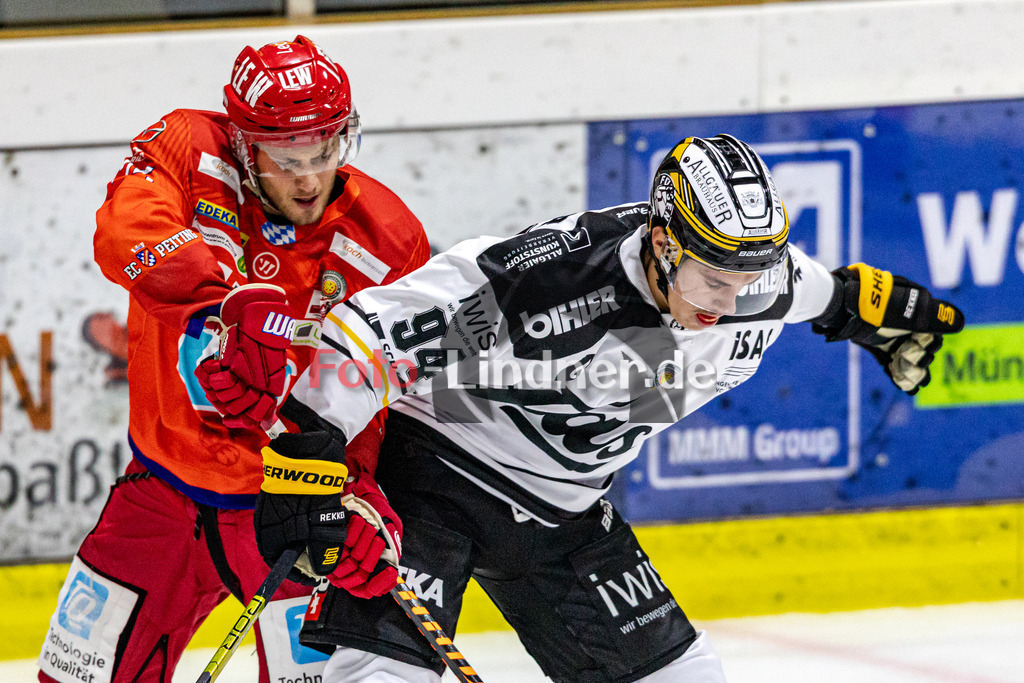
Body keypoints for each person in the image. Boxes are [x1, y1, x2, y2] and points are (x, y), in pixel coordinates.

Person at [216, 134, 965, 682]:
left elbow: (824, 292)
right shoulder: (554, 280)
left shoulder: (754, 283)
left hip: (565, 517)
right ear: (665, 242)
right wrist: (308, 449)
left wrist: (867, 309)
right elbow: (374, 329)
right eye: (712, 277)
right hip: (436, 484)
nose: (732, 301)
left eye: (747, 277)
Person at [37, 36, 429, 683]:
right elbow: (124, 230)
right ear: (245, 145)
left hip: (293, 513)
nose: (308, 176)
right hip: (161, 498)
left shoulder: (388, 240)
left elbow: (389, 401)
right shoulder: (185, 148)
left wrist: (361, 498)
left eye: (325, 150)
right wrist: (217, 314)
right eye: (285, 157)